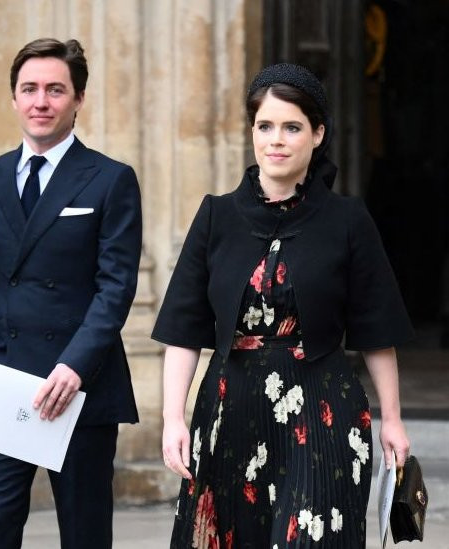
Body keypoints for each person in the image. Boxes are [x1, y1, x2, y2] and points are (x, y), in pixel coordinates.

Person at [153, 63, 413, 547]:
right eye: (265, 126)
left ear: (317, 134)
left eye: (292, 127)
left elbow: (377, 332)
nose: (276, 139)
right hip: (229, 413)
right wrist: (172, 418)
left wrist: (392, 419)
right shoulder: (216, 216)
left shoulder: (348, 220)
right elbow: (184, 331)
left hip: (322, 410)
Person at [0, 37, 142, 549]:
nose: (40, 101)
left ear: (78, 99)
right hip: (7, 381)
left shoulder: (111, 179)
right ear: (14, 98)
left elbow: (116, 287)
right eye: (29, 89)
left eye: (54, 90)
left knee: (84, 534)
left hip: (80, 382)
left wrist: (74, 366)